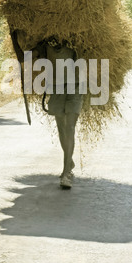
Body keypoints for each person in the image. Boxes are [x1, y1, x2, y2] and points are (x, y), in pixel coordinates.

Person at [34, 37, 84, 189]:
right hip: (56, 89)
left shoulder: (77, 39)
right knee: (62, 128)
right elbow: (27, 56)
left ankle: (66, 172)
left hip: (76, 87)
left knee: (69, 127)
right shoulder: (45, 44)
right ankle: (69, 161)